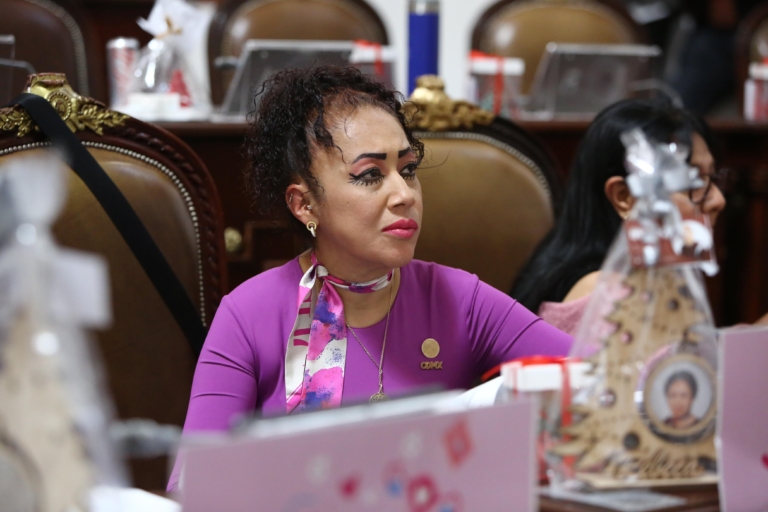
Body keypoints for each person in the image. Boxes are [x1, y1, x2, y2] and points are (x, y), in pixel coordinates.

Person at [167, 66, 572, 490]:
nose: (404, 195)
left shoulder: (459, 298)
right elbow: (193, 488)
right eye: (370, 175)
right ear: (304, 204)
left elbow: (596, 384)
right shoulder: (248, 314)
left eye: (408, 169)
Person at [511, 98, 727, 335]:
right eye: (693, 182)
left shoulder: (655, 279)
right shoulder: (606, 295)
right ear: (624, 196)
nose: (718, 200)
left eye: (712, 178)